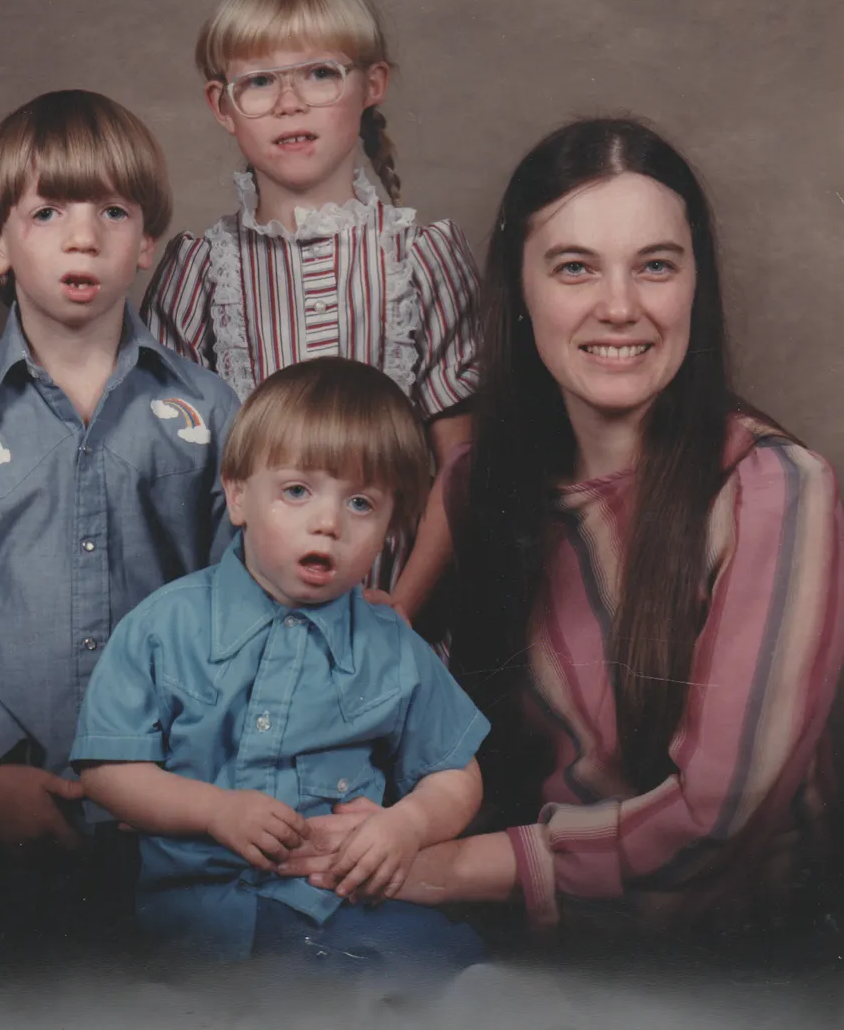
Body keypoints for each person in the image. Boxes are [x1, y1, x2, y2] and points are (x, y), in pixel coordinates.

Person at [280, 118, 844, 949]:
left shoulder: (775, 489)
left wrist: (441, 868)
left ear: (696, 286)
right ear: (520, 291)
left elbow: (719, 816)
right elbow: (399, 700)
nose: (619, 307)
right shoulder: (478, 481)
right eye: (574, 268)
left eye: (655, 266)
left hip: (731, 954)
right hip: (528, 939)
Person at [0, 89, 239, 969]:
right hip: (7, 818)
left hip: (180, 806)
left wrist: (196, 771)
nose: (82, 236)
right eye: (47, 211)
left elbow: (246, 596)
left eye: (113, 211)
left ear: (149, 244)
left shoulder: (209, 410)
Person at [71, 357, 489, 971]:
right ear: (237, 495)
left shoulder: (392, 646)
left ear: (392, 529)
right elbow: (108, 769)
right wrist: (215, 810)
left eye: (362, 504)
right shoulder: (166, 626)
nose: (327, 522)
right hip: (200, 920)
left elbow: (459, 774)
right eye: (297, 490)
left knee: (470, 976)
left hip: (345, 910)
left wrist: (409, 825)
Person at [141, 0, 480, 622]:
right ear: (222, 106)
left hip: (390, 617)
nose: (290, 102)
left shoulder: (422, 258)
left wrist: (400, 611)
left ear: (372, 83)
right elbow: (166, 479)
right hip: (234, 630)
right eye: (260, 81)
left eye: (320, 73)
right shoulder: (198, 271)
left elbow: (462, 466)